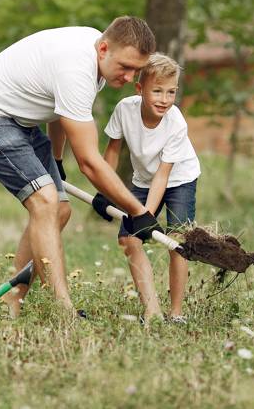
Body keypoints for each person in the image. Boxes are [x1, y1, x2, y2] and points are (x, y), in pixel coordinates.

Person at [0, 17, 160, 318]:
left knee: (60, 210)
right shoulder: (77, 68)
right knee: (46, 201)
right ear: (103, 49)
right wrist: (138, 211)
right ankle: (63, 310)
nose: (130, 77)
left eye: (137, 70)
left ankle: (14, 301)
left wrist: (57, 159)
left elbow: (61, 111)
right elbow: (90, 163)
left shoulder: (98, 55)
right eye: (126, 67)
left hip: (21, 119)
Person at [93, 53, 201, 324]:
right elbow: (112, 152)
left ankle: (176, 313)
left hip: (179, 179)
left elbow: (163, 176)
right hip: (143, 180)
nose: (165, 99)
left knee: (177, 242)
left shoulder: (176, 122)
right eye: (157, 91)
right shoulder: (124, 110)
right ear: (139, 89)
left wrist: (146, 215)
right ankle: (152, 311)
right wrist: (104, 190)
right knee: (129, 240)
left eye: (171, 92)